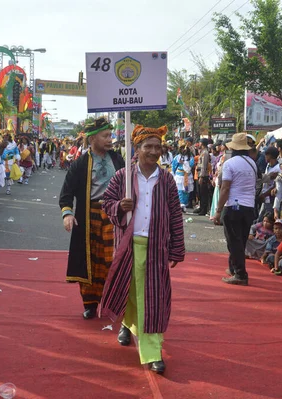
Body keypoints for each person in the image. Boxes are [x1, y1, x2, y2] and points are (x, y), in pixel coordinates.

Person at [100, 124, 185, 375]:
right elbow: (107, 204)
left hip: (157, 248)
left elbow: (175, 217)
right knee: (130, 292)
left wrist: (177, 248)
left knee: (153, 299)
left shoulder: (167, 179)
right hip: (128, 247)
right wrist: (120, 206)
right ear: (136, 149)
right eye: (148, 146)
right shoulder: (123, 177)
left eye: (158, 147)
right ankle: (127, 324)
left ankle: (153, 352)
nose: (154, 151)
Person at [59, 117, 125, 320]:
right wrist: (68, 213)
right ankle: (90, 304)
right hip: (89, 217)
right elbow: (66, 193)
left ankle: (113, 302)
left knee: (112, 261)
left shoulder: (117, 159)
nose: (110, 139)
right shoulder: (80, 164)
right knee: (90, 263)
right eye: (105, 136)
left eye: (110, 135)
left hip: (114, 215)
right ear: (92, 138)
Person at [214, 133, 257, 286]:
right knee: (241, 240)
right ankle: (234, 268)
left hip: (233, 206)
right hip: (248, 207)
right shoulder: (252, 163)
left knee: (233, 241)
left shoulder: (229, 164)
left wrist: (218, 210)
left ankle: (240, 274)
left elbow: (225, 188)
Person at [172, 145, 195, 212]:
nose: (183, 150)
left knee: (186, 191)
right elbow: (173, 166)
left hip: (187, 176)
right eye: (182, 148)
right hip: (179, 176)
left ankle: (184, 204)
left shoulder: (190, 157)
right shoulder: (177, 157)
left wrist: (184, 163)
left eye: (185, 148)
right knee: (179, 191)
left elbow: (190, 166)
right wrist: (174, 174)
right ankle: (180, 204)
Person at [194, 138, 211, 216]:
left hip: (203, 175)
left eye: (200, 143)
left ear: (202, 143)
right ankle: (201, 207)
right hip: (199, 174)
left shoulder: (205, 153)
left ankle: (204, 209)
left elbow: (204, 166)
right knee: (200, 193)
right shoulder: (202, 152)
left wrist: (201, 176)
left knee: (203, 193)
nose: (199, 144)